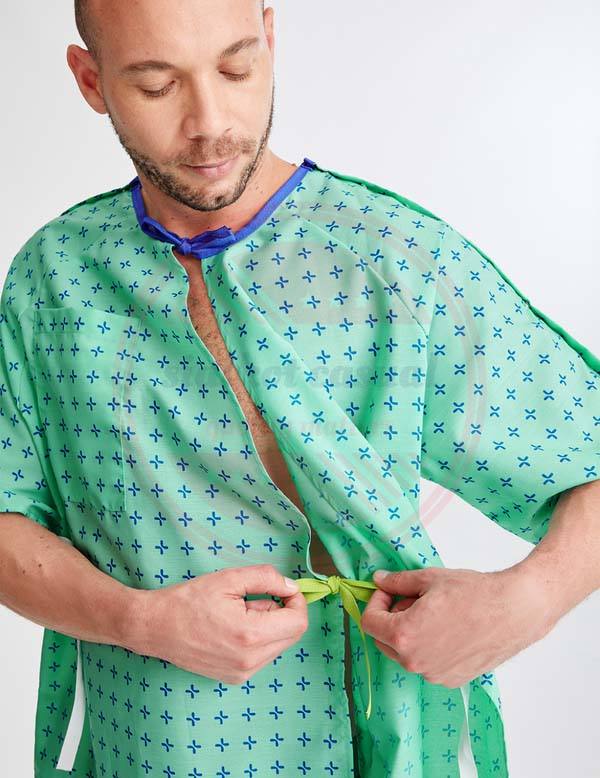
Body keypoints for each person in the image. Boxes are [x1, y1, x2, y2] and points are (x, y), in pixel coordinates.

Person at [1, 1, 598, 776]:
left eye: (236, 67)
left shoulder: (399, 260)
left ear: (271, 38)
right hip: (145, 746)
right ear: (91, 80)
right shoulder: (52, 281)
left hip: (382, 744)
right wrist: (138, 620)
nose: (210, 122)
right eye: (156, 85)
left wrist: (528, 603)